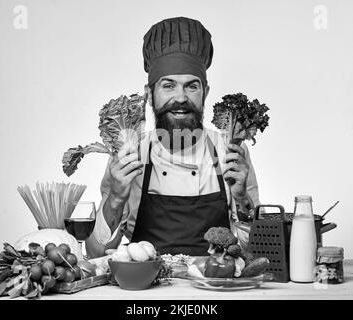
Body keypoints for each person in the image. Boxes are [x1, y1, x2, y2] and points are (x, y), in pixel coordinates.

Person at [86, 17, 261, 258]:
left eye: (192, 86)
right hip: (146, 291)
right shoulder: (130, 154)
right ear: (149, 93)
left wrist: (242, 200)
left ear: (205, 92)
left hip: (214, 289)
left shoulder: (228, 151)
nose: (180, 97)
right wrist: (116, 198)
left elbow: (253, 251)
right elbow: (96, 253)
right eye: (168, 86)